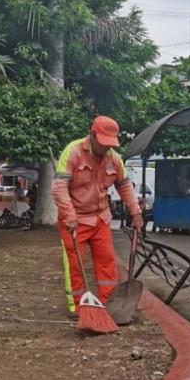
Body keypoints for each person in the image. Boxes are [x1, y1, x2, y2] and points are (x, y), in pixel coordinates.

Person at [52, 116, 143, 312]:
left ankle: (109, 304)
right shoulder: (73, 152)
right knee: (75, 265)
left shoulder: (114, 158)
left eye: (110, 143)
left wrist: (136, 212)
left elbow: (125, 185)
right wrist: (69, 216)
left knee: (107, 262)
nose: (106, 148)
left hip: (101, 218)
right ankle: (77, 307)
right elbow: (60, 188)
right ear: (92, 135)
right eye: (103, 143)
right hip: (74, 219)